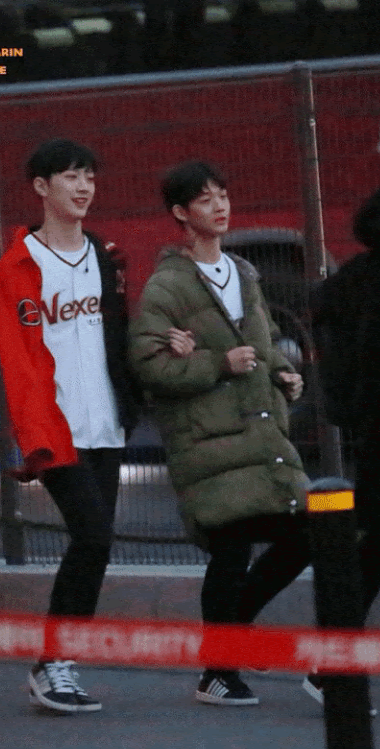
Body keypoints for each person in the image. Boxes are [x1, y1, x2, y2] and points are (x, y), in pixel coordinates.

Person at [129, 160, 311, 706]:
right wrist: (217, 363)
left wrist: (284, 374)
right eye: (206, 199)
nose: (220, 206)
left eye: (223, 195)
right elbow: (149, 365)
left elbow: (266, 341)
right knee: (231, 549)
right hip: (207, 443)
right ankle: (216, 672)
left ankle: (231, 633)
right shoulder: (167, 286)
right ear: (181, 213)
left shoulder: (244, 274)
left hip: (261, 439)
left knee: (305, 534)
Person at [0, 138, 140, 713]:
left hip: (106, 425)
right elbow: (19, 361)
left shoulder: (106, 256)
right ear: (41, 187)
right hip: (57, 431)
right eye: (71, 176)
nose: (83, 187)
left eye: (90, 177)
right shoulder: (18, 265)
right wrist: (34, 437)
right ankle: (51, 664)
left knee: (96, 545)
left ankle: (60, 663)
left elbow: (119, 337)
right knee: (94, 536)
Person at [311, 185, 380, 632]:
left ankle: (335, 645)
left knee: (378, 542)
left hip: (373, 431)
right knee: (378, 545)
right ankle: (335, 648)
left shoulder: (353, 279)